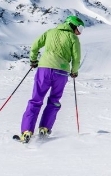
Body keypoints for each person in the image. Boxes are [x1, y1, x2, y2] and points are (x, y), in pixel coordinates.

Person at [17, 15, 83, 143]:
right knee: (54, 100)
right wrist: (74, 71)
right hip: (62, 73)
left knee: (36, 100)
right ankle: (45, 128)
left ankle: (26, 131)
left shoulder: (50, 32)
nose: (79, 32)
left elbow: (35, 45)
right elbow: (76, 58)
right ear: (72, 25)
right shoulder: (73, 38)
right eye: (79, 28)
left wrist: (33, 60)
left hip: (44, 70)